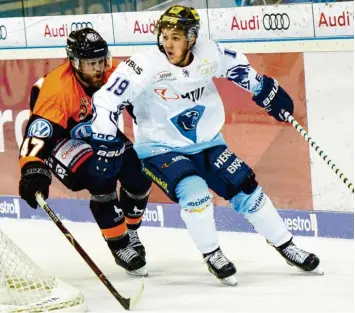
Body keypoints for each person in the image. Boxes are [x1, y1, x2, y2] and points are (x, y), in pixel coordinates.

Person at [89, 6, 322, 285]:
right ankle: (212, 254)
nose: (168, 43)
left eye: (176, 37)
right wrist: (104, 136)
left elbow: (239, 69)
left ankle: (287, 246)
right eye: (164, 36)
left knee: (246, 188)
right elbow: (106, 101)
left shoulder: (209, 53)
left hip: (209, 143)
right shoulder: (143, 65)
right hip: (159, 148)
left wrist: (263, 89)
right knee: (195, 191)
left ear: (192, 38)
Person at [18, 28, 151, 276]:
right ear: (75, 63)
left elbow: (144, 102)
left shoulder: (115, 73)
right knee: (100, 175)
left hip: (95, 130)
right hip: (61, 139)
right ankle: (120, 246)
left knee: (140, 173)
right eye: (91, 63)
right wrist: (33, 169)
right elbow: (37, 134)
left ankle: (131, 232)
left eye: (102, 60)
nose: (99, 68)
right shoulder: (58, 91)